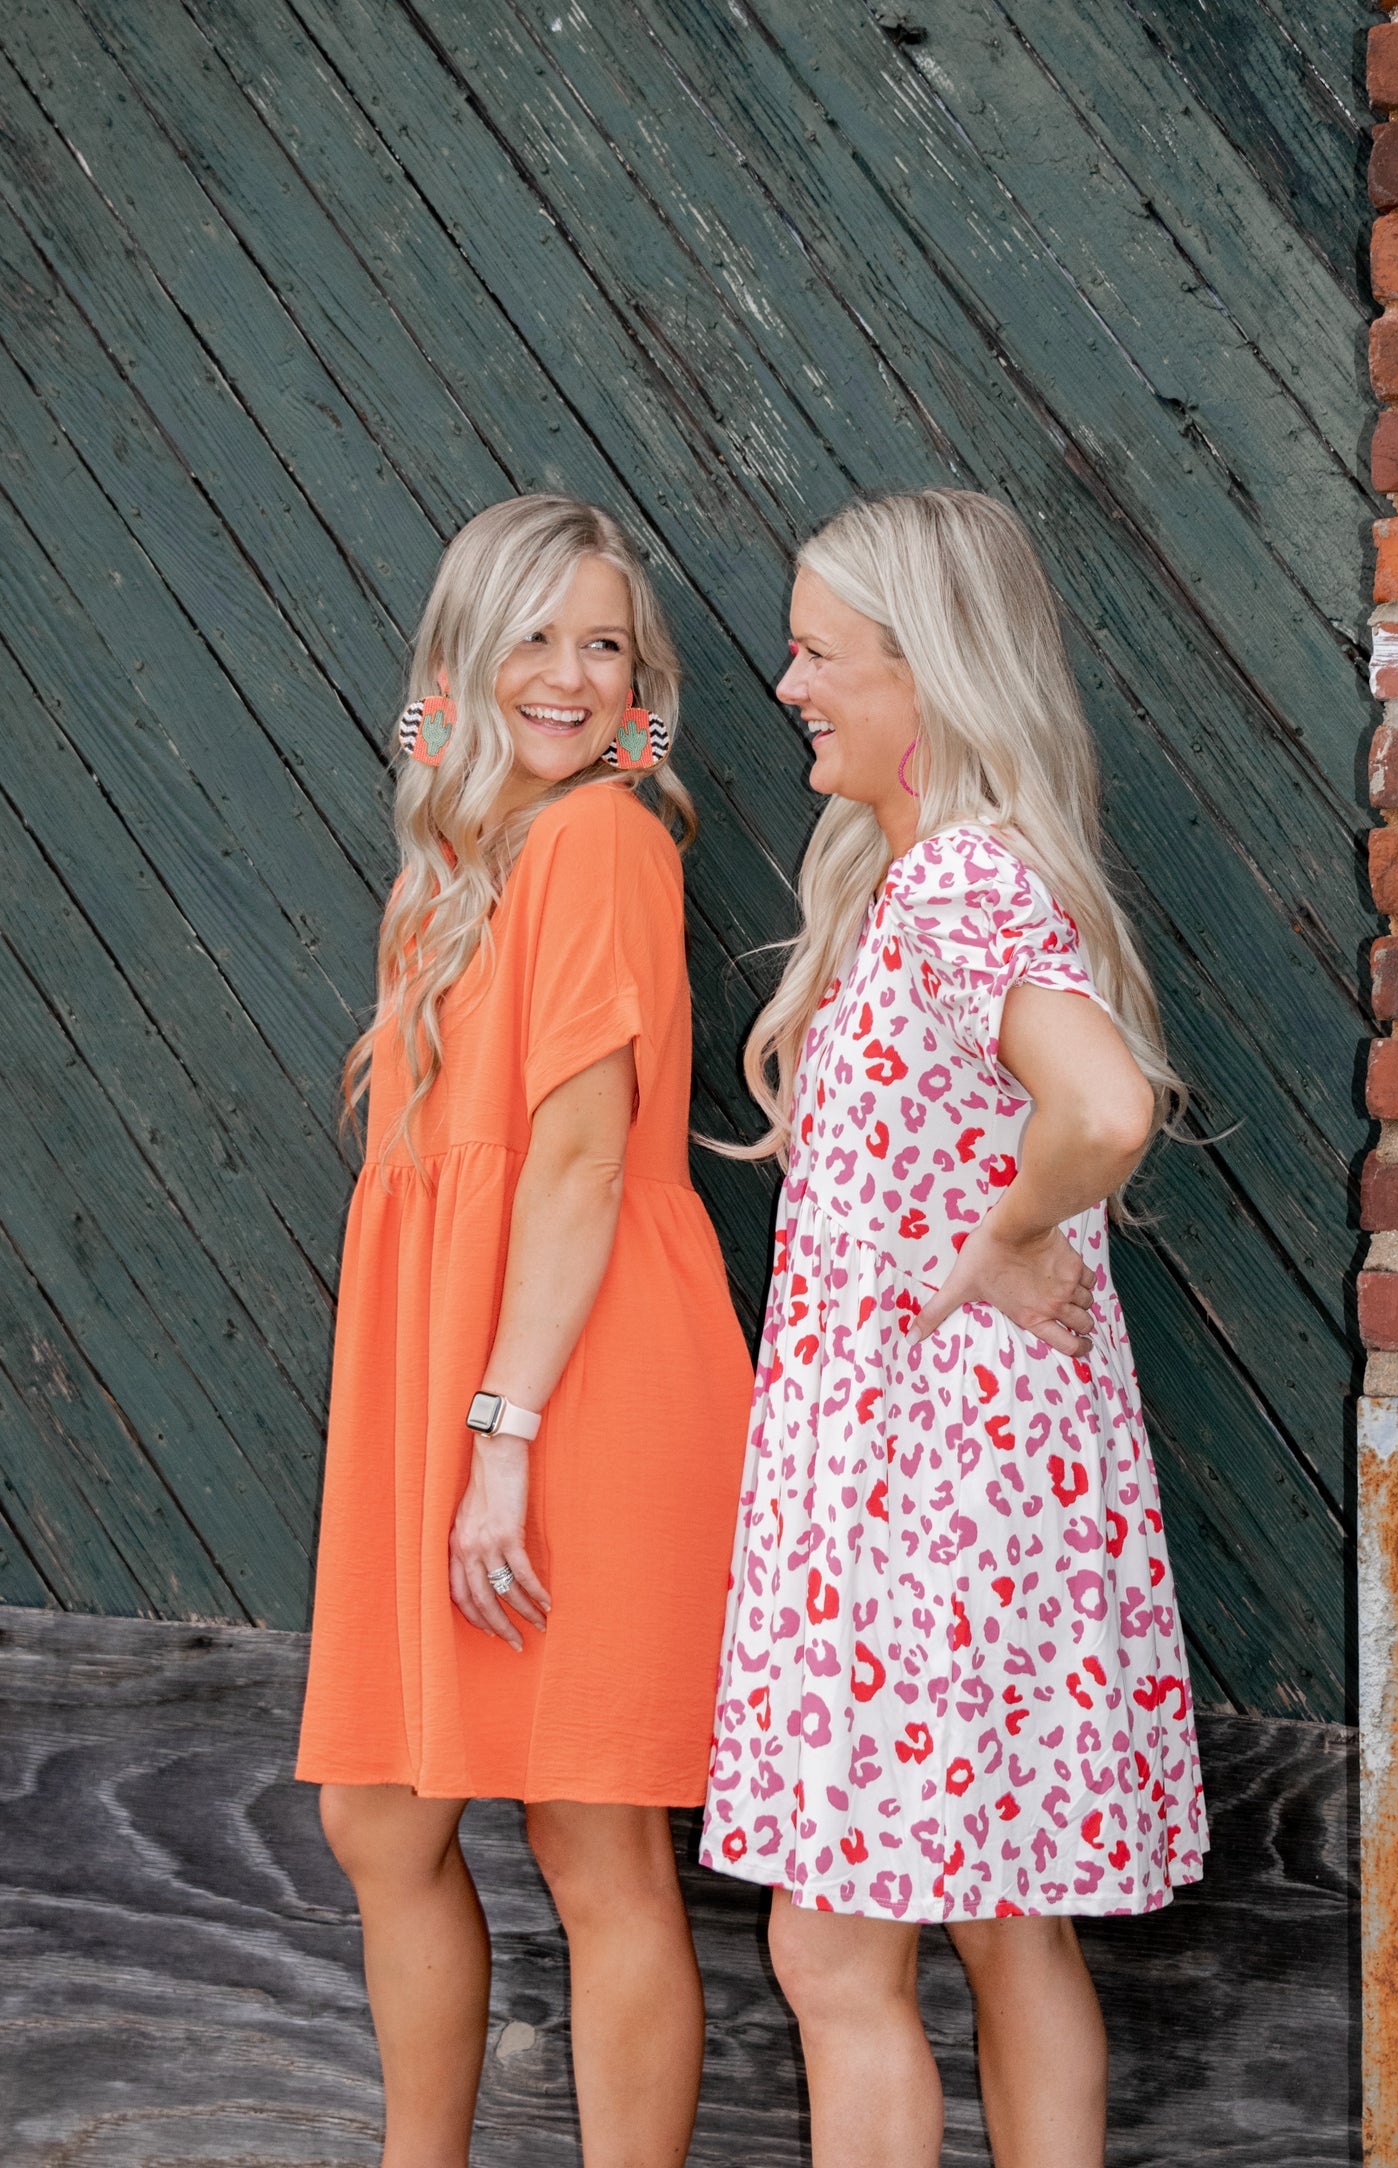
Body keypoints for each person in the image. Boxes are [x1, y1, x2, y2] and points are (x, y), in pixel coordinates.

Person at [700, 489, 1208, 2168]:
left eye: (820, 655)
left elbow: (1104, 1107)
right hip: (975, 1486)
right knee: (1005, 1924)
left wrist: (997, 1235)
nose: (788, 686)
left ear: (930, 678)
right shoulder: (931, 881)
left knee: (834, 1948)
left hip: (927, 1493)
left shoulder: (954, 884)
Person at [296, 494, 752, 2168]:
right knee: (378, 1816)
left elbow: (574, 1165)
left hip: (567, 1384)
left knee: (595, 1846)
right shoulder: (467, 870)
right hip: (463, 1389)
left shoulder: (602, 840)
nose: (569, 673)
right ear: (462, 655)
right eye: (534, 635)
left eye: (605, 644)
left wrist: (501, 1441)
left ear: (644, 686)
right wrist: (450, 750)